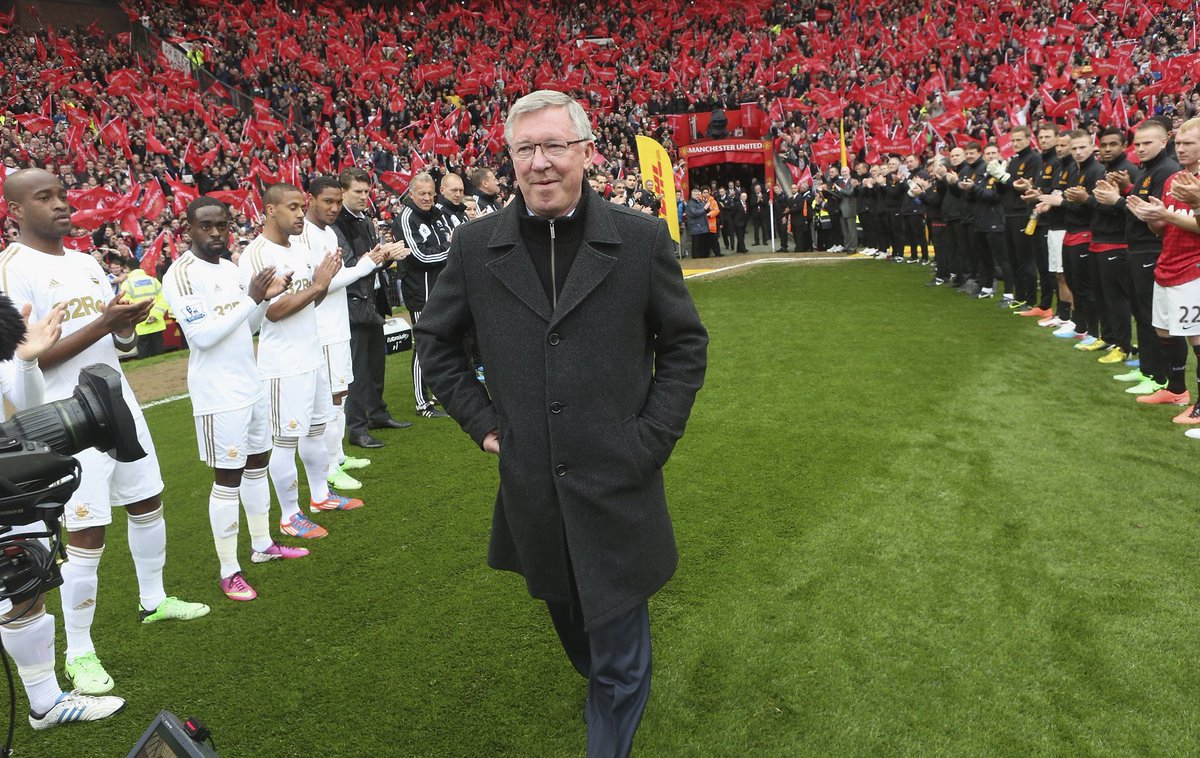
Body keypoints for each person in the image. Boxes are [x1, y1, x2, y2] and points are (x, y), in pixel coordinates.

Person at [414, 91, 708, 758]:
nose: (540, 163)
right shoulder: (474, 244)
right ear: (511, 159)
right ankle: (604, 681)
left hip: (619, 474)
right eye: (526, 149)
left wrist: (652, 437)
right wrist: (484, 423)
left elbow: (685, 345)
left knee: (619, 650)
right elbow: (437, 344)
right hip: (533, 483)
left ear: (585, 152)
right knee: (575, 623)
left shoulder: (638, 239)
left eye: (554, 146)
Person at [0, 168, 210, 696]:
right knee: (86, 531)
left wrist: (121, 325)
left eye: (62, 195)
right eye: (44, 198)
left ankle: (154, 599)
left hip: (117, 401)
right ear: (16, 211)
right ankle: (81, 652)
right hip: (65, 420)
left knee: (148, 501)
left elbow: (118, 347)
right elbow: (27, 363)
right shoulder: (13, 270)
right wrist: (102, 323)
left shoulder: (88, 261)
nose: (61, 205)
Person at [162, 197, 310, 602]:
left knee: (257, 464)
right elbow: (203, 336)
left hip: (250, 383)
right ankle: (229, 571)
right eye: (205, 226)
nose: (215, 234)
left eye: (221, 227)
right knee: (227, 477)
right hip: (218, 394)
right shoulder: (181, 275)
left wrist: (263, 299)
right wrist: (252, 297)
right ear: (188, 229)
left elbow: (250, 326)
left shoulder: (229, 268)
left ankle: (262, 545)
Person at [0, 294, 127, 728]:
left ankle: (46, 702)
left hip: (4, 477)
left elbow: (23, 400)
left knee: (23, 581)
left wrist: (27, 362)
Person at [239, 183, 364, 540]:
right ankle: (290, 515)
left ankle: (321, 495)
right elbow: (274, 312)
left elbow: (312, 301)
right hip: (283, 364)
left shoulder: (298, 249)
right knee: (285, 440)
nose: (299, 215)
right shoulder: (258, 254)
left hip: (312, 356)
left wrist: (322, 283)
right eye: (292, 208)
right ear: (269, 211)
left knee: (315, 430)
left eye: (300, 207)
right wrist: (316, 286)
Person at [296, 176, 404, 491]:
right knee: (329, 400)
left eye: (336, 201)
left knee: (340, 396)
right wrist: (366, 265)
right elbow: (324, 284)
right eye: (326, 201)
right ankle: (329, 468)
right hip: (321, 329)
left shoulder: (328, 233)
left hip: (338, 324)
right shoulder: (304, 235)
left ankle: (338, 456)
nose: (333, 207)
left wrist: (364, 265)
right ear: (310, 199)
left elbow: (335, 278)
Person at [1098, 120, 1181, 395]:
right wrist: (1123, 193)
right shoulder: (1148, 170)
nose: (1142, 148)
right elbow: (1138, 205)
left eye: (1148, 143)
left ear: (1164, 141)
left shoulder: (1166, 169)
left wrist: (1117, 201)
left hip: (1150, 248)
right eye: (1139, 144)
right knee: (1142, 314)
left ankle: (1159, 376)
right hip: (1136, 248)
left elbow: (1152, 214)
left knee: (1151, 316)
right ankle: (1147, 368)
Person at [1127, 117, 1200, 421]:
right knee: (1164, 330)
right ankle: (1176, 389)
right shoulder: (1174, 179)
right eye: (1179, 143)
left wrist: (1167, 218)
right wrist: (1151, 216)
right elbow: (1164, 229)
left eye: (1189, 144)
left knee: (1197, 336)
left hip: (1193, 267)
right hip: (1168, 262)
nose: (1180, 149)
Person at [333, 168, 411, 450]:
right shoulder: (336, 225)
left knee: (376, 364)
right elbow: (352, 265)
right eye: (358, 192)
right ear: (343, 192)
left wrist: (383, 255)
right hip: (352, 304)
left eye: (367, 191)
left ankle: (377, 414)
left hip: (372, 300)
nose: (365, 197)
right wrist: (384, 255)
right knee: (356, 370)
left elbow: (369, 259)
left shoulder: (364, 221)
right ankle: (356, 428)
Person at [394, 173, 453, 418]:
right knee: (423, 346)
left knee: (443, 343)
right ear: (411, 194)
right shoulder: (406, 217)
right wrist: (449, 248)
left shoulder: (437, 214)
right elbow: (421, 256)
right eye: (422, 194)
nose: (427, 198)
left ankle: (439, 391)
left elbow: (451, 239)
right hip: (421, 291)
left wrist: (447, 247)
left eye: (430, 193)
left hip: (441, 289)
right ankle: (422, 404)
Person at [119, 260, 169, 359]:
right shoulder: (153, 280)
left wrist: (144, 317)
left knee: (144, 357)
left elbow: (127, 304)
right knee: (160, 356)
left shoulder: (126, 284)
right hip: (156, 322)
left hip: (140, 324)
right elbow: (164, 299)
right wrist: (155, 315)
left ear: (127, 268)